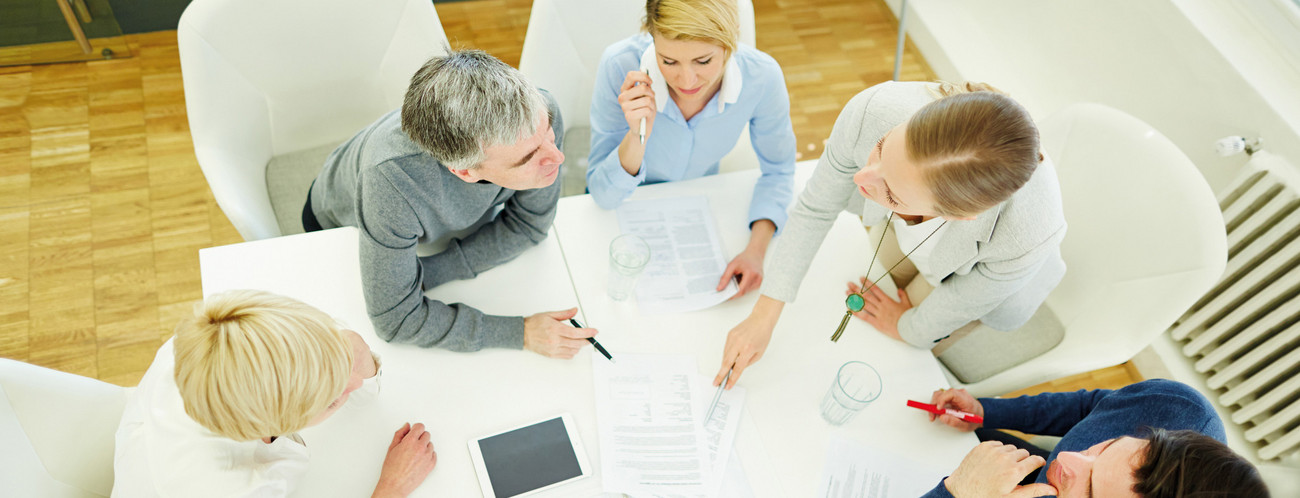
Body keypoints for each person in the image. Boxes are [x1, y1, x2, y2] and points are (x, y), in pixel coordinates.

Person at [715, 81, 1067, 388]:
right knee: (879, 275)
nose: (861, 178)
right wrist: (764, 314)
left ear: (958, 215)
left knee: (905, 346)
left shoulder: (1026, 234)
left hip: (975, 276)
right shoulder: (876, 109)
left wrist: (905, 327)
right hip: (911, 234)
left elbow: (956, 305)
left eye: (893, 192)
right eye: (882, 148)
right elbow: (817, 207)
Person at [303, 49, 596, 359]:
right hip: (341, 224)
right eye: (527, 158)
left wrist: (430, 272)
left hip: (435, 230)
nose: (558, 157)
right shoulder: (390, 180)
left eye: (549, 136)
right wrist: (521, 332)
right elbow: (394, 320)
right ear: (465, 171)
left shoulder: (539, 112)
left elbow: (531, 223)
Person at [112, 290, 437, 497]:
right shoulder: (236, 489)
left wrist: (348, 347)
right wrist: (390, 489)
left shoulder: (211, 341)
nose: (353, 385)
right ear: (274, 425)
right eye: (333, 400)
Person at [588, 0, 797, 297]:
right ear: (650, 35)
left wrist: (755, 250)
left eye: (703, 61)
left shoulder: (762, 77)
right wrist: (637, 134)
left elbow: (779, 171)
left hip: (699, 209)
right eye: (668, 61)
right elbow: (601, 194)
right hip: (620, 216)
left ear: (733, 36)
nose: (686, 81)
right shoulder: (619, 64)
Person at [923, 379, 1270, 498]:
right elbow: (1091, 406)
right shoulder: (1175, 404)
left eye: (1090, 489)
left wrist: (958, 492)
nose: (1065, 458)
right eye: (1106, 445)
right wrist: (986, 412)